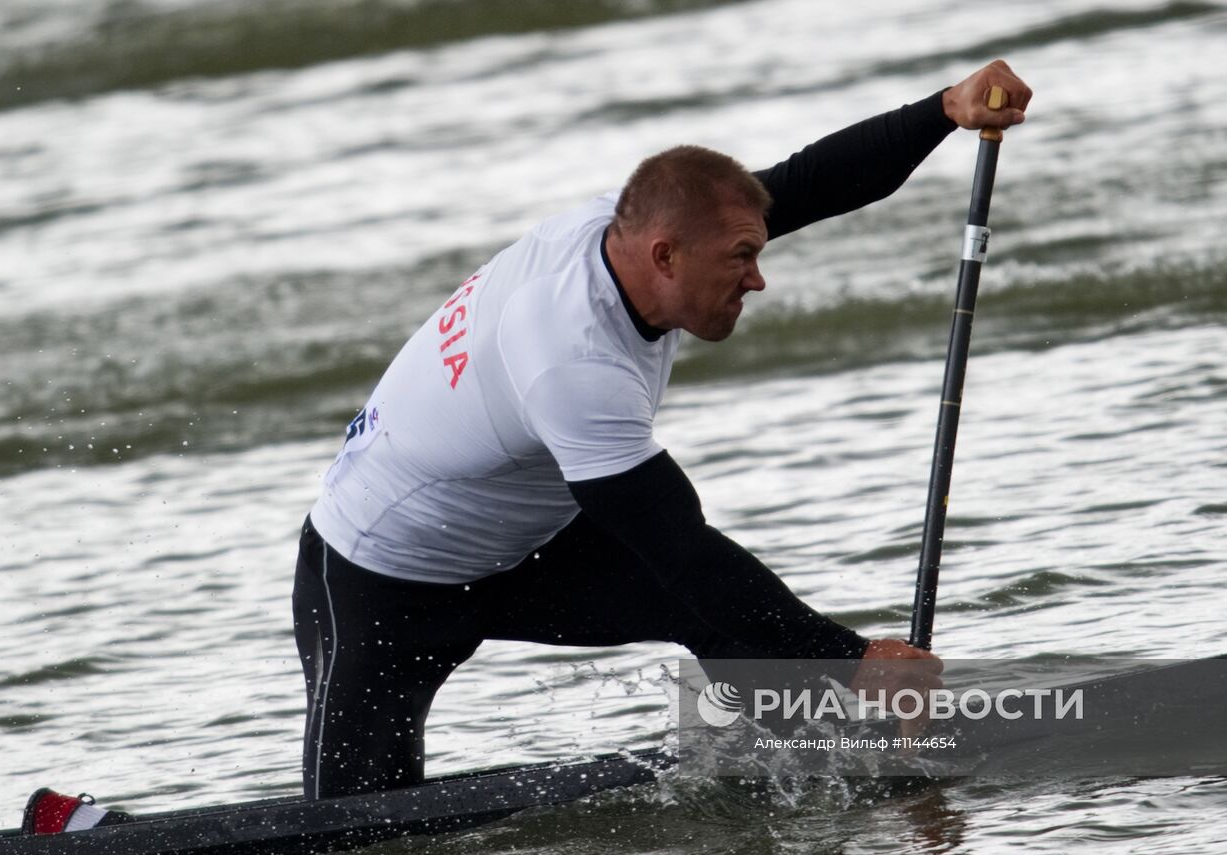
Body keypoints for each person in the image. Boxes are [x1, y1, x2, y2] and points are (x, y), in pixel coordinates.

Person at [293, 60, 1032, 799]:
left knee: (722, 618)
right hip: (378, 580)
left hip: (523, 550)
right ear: (664, 256)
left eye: (756, 251)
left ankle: (839, 768)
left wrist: (944, 109)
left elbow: (807, 183)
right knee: (356, 834)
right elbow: (682, 549)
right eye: (741, 259)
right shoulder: (572, 357)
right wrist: (856, 657)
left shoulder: (640, 231)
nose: (757, 278)